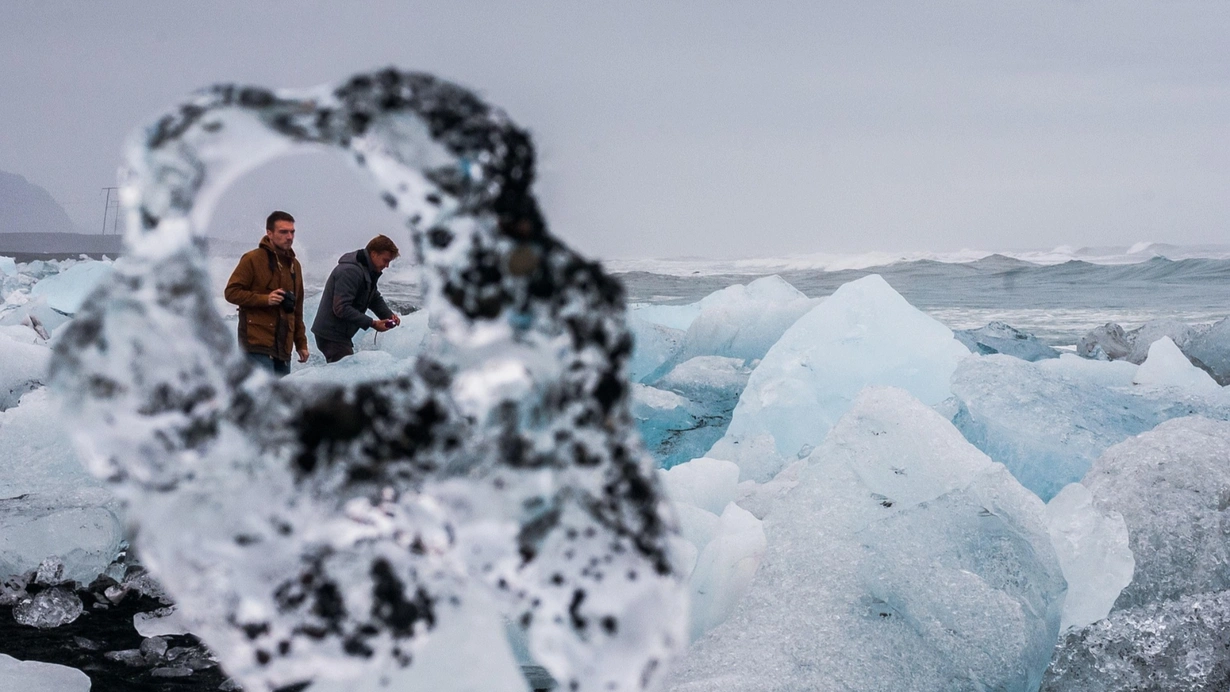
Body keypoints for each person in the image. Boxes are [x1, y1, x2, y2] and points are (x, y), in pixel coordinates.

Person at [224, 211, 309, 376]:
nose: (289, 236)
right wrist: (265, 299)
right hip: (256, 344)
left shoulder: (295, 266)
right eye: (283, 232)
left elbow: (297, 308)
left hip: (283, 348)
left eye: (292, 232)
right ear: (269, 233)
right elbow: (231, 292)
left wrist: (301, 343)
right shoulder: (252, 259)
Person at [311, 234, 403, 363]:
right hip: (331, 335)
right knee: (345, 375)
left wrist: (387, 314)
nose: (387, 266)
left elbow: (373, 297)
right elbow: (341, 308)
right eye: (385, 260)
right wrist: (373, 323)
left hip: (340, 334)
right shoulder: (350, 271)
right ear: (374, 254)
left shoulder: (367, 270)